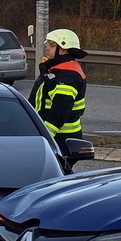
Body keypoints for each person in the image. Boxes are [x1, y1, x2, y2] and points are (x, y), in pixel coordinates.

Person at [29, 28, 88, 158]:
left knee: (56, 175)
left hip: (61, 139)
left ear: (63, 50)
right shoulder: (56, 71)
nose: (47, 48)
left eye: (52, 45)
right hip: (59, 138)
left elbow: (61, 109)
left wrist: (46, 135)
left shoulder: (67, 76)